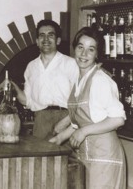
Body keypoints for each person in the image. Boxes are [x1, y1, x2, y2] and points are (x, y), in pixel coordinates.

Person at [49, 27, 127, 189]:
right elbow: (80, 122)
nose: (84, 54)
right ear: (74, 49)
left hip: (104, 158)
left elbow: (118, 119)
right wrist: (59, 139)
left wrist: (83, 132)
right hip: (87, 156)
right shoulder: (80, 80)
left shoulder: (100, 80)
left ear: (97, 54)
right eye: (80, 47)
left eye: (90, 49)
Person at [9, 19, 79, 139]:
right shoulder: (31, 67)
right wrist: (12, 86)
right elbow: (27, 101)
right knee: (40, 157)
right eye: (42, 35)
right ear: (37, 41)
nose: (46, 39)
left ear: (58, 40)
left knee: (65, 157)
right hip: (40, 120)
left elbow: (80, 99)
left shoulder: (71, 63)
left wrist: (67, 122)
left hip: (66, 118)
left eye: (50, 35)